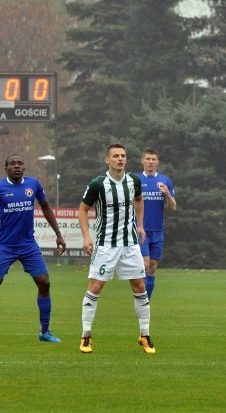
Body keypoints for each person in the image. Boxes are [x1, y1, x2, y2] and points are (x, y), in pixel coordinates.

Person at [0, 154, 66, 343]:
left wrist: (58, 233)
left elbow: (46, 207)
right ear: (5, 168)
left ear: (24, 168)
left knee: (44, 283)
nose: (17, 166)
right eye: (12, 164)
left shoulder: (33, 185)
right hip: (5, 246)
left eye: (20, 163)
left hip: (28, 245)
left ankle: (44, 331)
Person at [77, 143, 155, 354]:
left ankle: (145, 335)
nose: (120, 159)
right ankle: (86, 336)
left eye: (123, 156)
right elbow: (83, 210)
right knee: (95, 288)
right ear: (107, 160)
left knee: (140, 287)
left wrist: (140, 225)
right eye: (116, 156)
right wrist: (86, 236)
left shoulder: (134, 181)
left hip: (130, 245)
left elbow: (139, 200)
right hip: (105, 246)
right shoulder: (98, 184)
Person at [138, 148, 176, 300]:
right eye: (148, 159)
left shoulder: (165, 181)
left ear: (157, 162)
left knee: (152, 268)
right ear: (143, 161)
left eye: (153, 159)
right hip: (141, 230)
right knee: (144, 265)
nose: (151, 162)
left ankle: (146, 301)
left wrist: (167, 194)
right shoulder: (136, 180)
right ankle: (140, 299)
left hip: (158, 231)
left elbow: (173, 207)